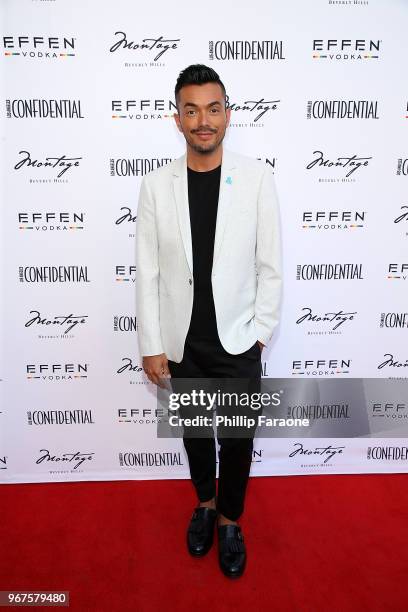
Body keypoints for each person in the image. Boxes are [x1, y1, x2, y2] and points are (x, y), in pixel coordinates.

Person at [136, 64, 282, 578]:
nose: (204, 121)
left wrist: (260, 334)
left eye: (213, 109)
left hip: (239, 339)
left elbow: (271, 266)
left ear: (227, 114)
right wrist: (153, 343)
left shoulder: (258, 178)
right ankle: (203, 503)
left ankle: (229, 518)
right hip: (183, 341)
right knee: (196, 434)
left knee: (238, 440)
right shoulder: (156, 186)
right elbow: (148, 272)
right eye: (192, 110)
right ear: (177, 119)